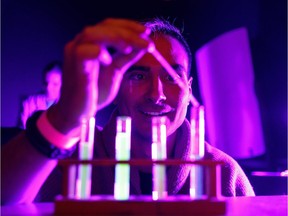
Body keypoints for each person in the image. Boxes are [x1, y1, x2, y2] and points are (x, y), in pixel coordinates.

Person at [1, 17, 255, 205]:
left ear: (189, 91)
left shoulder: (224, 174)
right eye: (139, 75)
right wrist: (63, 118)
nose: (156, 94)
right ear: (116, 87)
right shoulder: (71, 165)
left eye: (171, 77)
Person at [19, 61, 62, 128]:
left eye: (55, 84)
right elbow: (22, 129)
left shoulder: (68, 106)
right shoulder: (29, 103)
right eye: (46, 82)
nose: (48, 88)